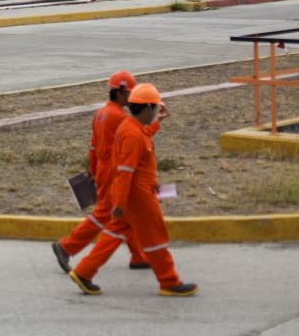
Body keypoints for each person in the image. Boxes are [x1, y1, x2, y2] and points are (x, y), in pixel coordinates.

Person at [68, 83, 198, 297]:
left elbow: (142, 141)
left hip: (133, 194)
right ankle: (169, 281)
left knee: (112, 234)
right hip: (137, 197)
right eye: (154, 108)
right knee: (155, 237)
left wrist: (156, 124)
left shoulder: (131, 127)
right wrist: (119, 203)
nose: (155, 112)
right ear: (146, 108)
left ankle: (83, 272)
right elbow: (125, 172)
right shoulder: (132, 134)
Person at [52, 70, 161, 273]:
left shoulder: (100, 113)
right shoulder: (119, 117)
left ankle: (139, 257)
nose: (133, 98)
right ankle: (66, 246)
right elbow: (140, 137)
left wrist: (93, 172)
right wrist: (155, 124)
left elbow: (93, 146)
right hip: (114, 172)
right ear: (120, 93)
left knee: (126, 214)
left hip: (104, 169)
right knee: (105, 214)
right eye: (131, 93)